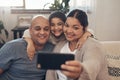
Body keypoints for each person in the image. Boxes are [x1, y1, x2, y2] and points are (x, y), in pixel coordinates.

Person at [45, 9, 111, 80]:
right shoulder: (60, 44)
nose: (69, 31)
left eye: (75, 28)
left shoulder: (93, 46)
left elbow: (93, 64)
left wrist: (81, 69)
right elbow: (50, 72)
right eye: (67, 25)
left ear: (84, 29)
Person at [0, 15, 54, 80]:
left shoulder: (52, 49)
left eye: (46, 29)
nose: (42, 32)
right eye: (37, 29)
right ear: (30, 31)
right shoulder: (12, 47)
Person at [23, 11, 93, 60]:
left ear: (65, 24)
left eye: (60, 24)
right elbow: (27, 31)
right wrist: (30, 43)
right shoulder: (48, 35)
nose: (56, 28)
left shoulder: (67, 35)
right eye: (52, 25)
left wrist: (84, 36)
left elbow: (89, 31)